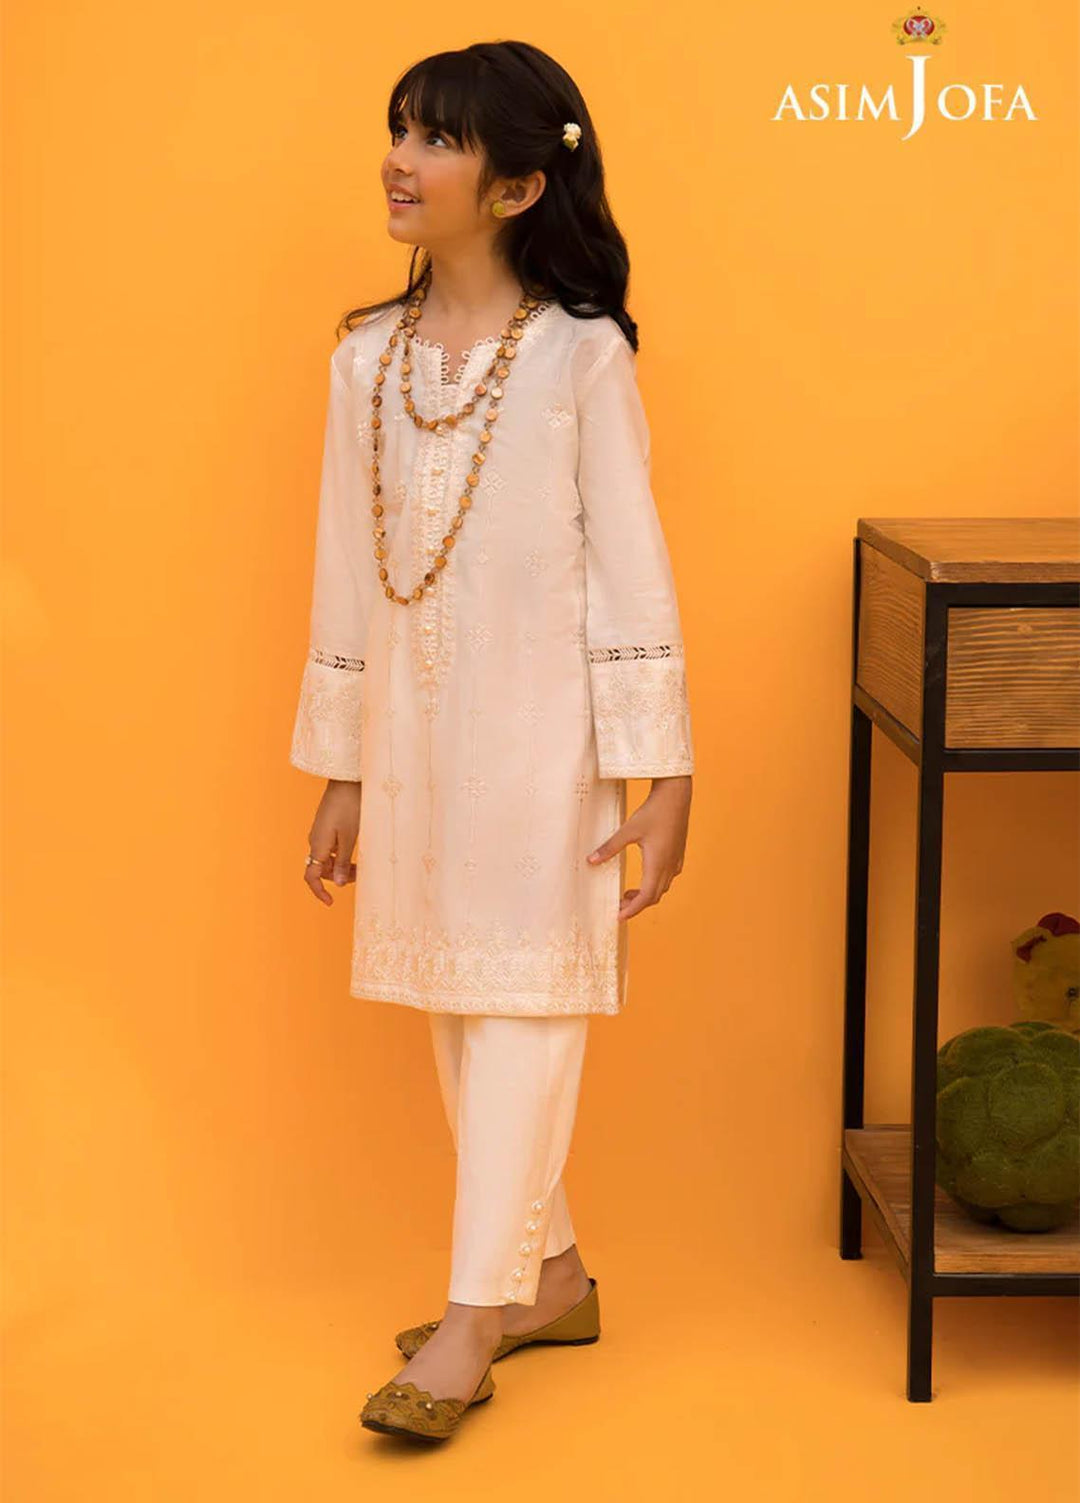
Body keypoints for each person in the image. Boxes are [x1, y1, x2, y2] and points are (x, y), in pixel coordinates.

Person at [289, 40, 694, 1444]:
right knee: (462, 1007)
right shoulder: (364, 361)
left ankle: (475, 1314)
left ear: (518, 186)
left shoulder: (582, 356)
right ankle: (554, 1278)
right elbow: (345, 575)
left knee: (523, 1005)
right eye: (400, 127)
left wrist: (661, 773)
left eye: (437, 140)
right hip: (415, 745)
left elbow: (632, 571)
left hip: (547, 743)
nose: (399, 159)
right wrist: (344, 770)